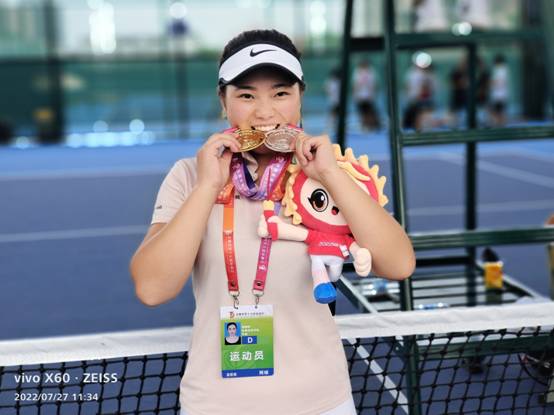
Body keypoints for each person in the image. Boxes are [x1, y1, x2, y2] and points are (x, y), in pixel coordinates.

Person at [130, 29, 415, 415]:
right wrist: (207, 187)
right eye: (246, 95)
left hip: (322, 403)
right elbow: (152, 289)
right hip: (216, 405)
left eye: (280, 93)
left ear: (300, 97)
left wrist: (331, 176)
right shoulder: (190, 175)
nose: (264, 112)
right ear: (223, 101)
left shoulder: (331, 171)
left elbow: (399, 264)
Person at [352, 60, 380, 131]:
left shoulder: (368, 71)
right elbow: (356, 85)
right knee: (364, 111)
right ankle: (366, 125)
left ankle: (368, 125)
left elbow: (373, 84)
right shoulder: (359, 71)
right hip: (363, 95)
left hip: (365, 95)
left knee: (366, 111)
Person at [489, 54, 509, 126]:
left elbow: (500, 82)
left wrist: (492, 83)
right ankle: (500, 124)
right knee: (499, 111)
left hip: (499, 95)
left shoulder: (501, 70)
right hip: (499, 95)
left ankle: (500, 124)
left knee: (499, 112)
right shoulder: (501, 69)